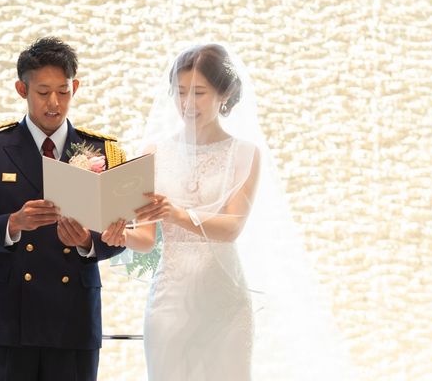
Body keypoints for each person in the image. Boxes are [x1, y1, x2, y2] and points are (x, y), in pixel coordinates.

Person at [121, 44, 357, 380]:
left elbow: (232, 227)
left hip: (225, 306)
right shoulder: (152, 153)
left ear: (225, 94)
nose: (187, 103)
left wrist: (175, 213)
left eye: (199, 93)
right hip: (169, 304)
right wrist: (112, 232)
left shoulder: (245, 154)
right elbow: (145, 239)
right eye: (181, 92)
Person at [0, 37, 127, 381]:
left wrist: (86, 242)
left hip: (73, 317)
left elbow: (120, 233)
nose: (54, 103)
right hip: (8, 317)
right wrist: (13, 224)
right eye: (43, 92)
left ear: (75, 87)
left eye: (63, 91)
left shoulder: (101, 150)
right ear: (22, 89)